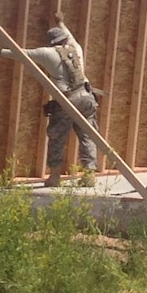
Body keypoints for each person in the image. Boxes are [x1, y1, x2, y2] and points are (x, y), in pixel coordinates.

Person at [39, 23, 100, 187]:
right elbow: (70, 36)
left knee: (57, 137)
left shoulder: (49, 54)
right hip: (87, 98)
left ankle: (55, 176)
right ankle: (89, 176)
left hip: (66, 101)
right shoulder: (76, 50)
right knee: (88, 136)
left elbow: (23, 54)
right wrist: (62, 22)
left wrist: (0, 52)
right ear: (65, 40)